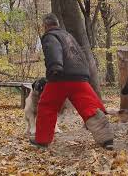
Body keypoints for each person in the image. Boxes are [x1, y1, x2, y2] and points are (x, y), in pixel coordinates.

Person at [29, 13, 114, 150]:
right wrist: (85, 73)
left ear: (45, 25)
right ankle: (107, 139)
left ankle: (43, 140)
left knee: (47, 107)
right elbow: (80, 54)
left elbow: (53, 49)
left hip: (60, 77)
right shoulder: (68, 36)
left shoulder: (50, 36)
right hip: (80, 78)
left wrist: (55, 67)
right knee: (90, 108)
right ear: (57, 23)